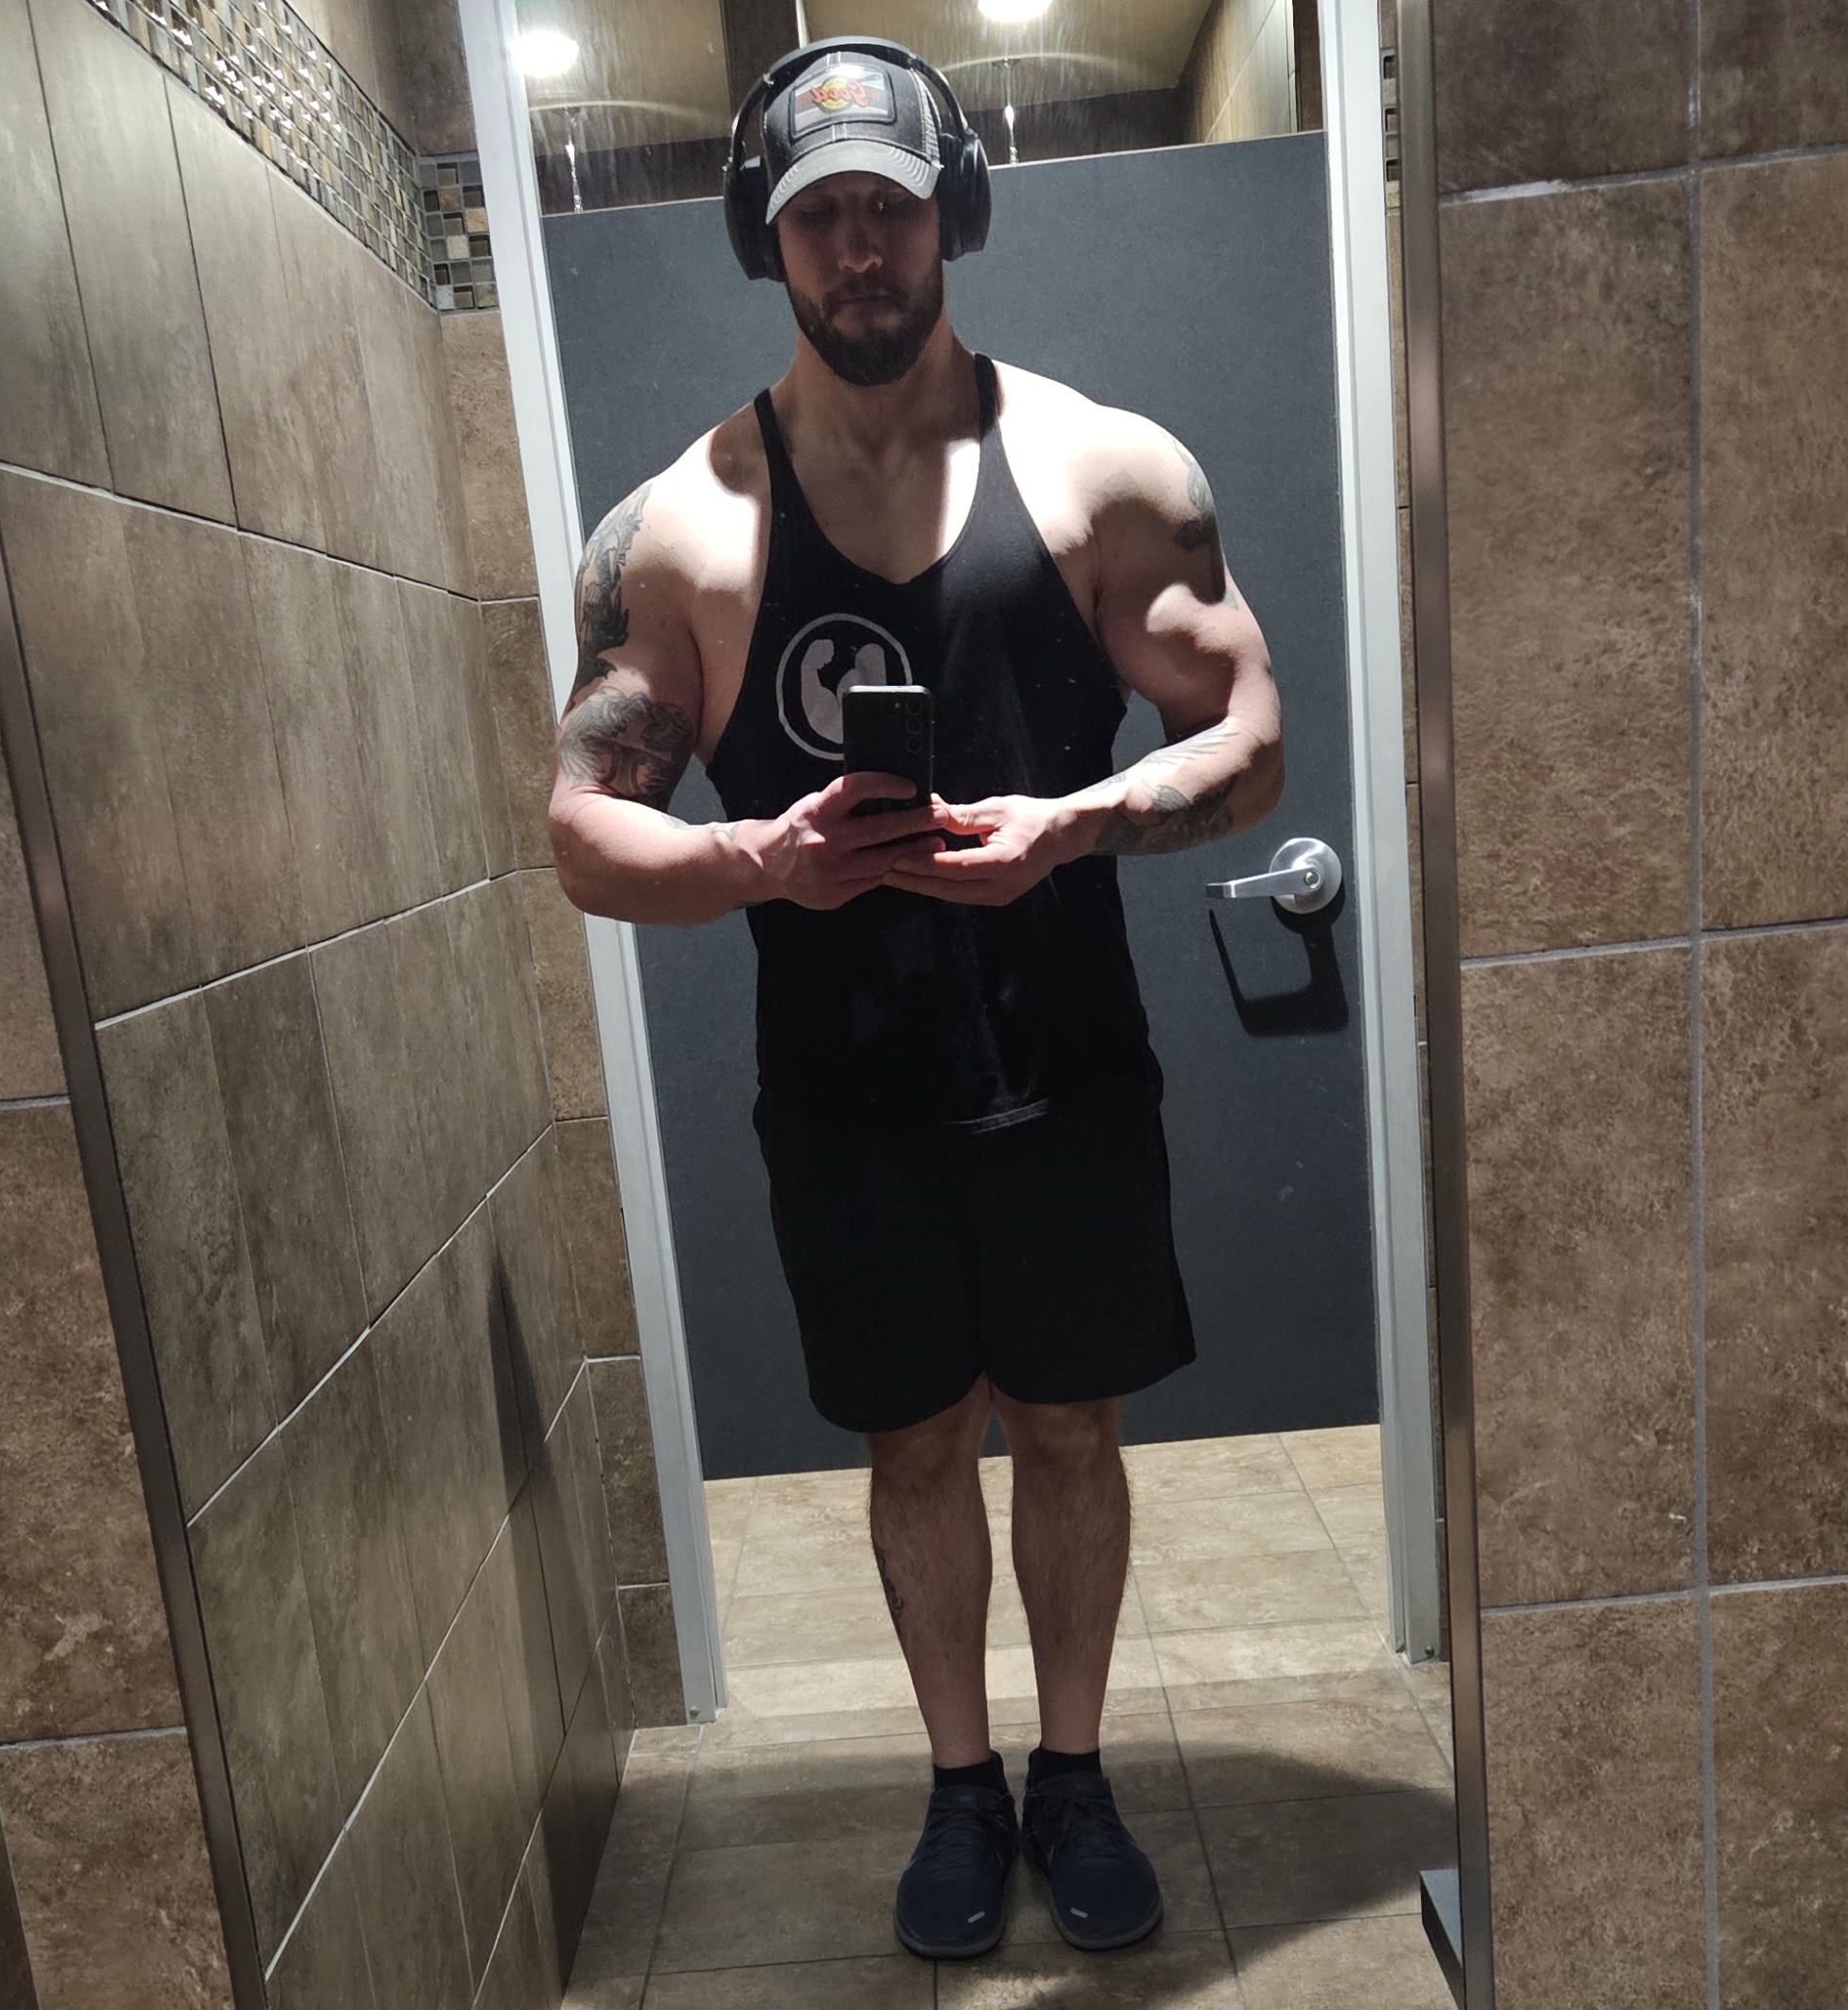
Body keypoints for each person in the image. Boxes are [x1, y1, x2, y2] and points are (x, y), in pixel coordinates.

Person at [545, 38, 1282, 1963]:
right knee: (914, 1443)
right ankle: (962, 1787)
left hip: (1068, 1068)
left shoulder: (1106, 472)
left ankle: (1073, 1772)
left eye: (889, 206)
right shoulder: (683, 532)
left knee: (1068, 1426)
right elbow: (582, 832)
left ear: (949, 210)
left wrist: (1075, 823)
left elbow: (1250, 734)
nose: (860, 249)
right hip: (846, 1098)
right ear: (763, 239)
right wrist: (752, 861)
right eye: (820, 220)